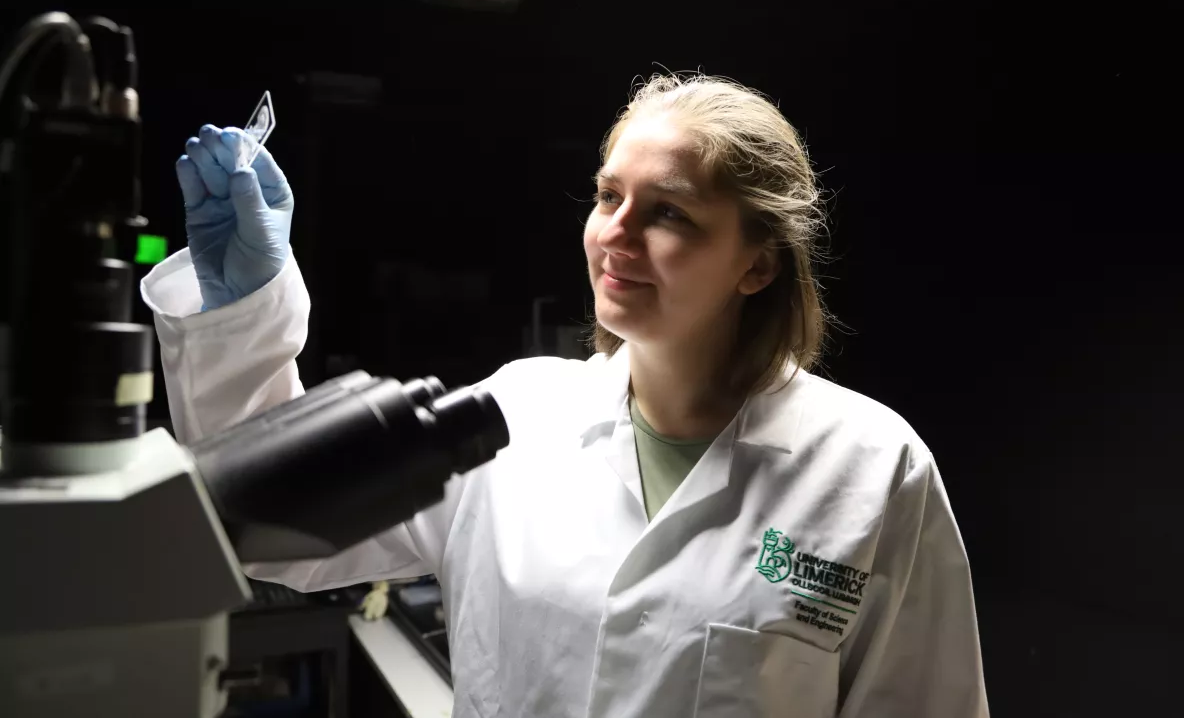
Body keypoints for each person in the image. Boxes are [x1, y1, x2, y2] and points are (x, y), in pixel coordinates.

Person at [142, 73, 990, 718]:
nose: (615, 232)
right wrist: (242, 307)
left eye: (669, 213)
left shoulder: (874, 470)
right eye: (608, 195)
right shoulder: (518, 416)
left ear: (757, 263)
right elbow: (271, 528)